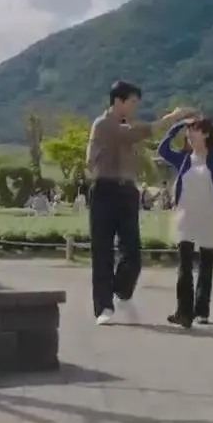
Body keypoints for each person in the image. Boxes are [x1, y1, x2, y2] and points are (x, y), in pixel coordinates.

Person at [86, 79, 192, 326]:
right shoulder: (103, 124)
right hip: (104, 189)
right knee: (102, 251)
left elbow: (141, 135)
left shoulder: (128, 126)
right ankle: (103, 306)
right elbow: (139, 132)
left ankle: (121, 290)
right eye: (132, 102)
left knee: (132, 250)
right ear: (118, 101)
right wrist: (172, 117)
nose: (135, 106)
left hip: (128, 191)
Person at [157, 117, 213, 328]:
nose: (189, 134)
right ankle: (184, 312)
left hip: (207, 215)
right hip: (185, 215)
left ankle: (202, 310)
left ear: (206, 134)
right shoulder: (184, 158)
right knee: (184, 264)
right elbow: (162, 150)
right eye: (187, 130)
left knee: (206, 264)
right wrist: (177, 126)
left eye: (193, 129)